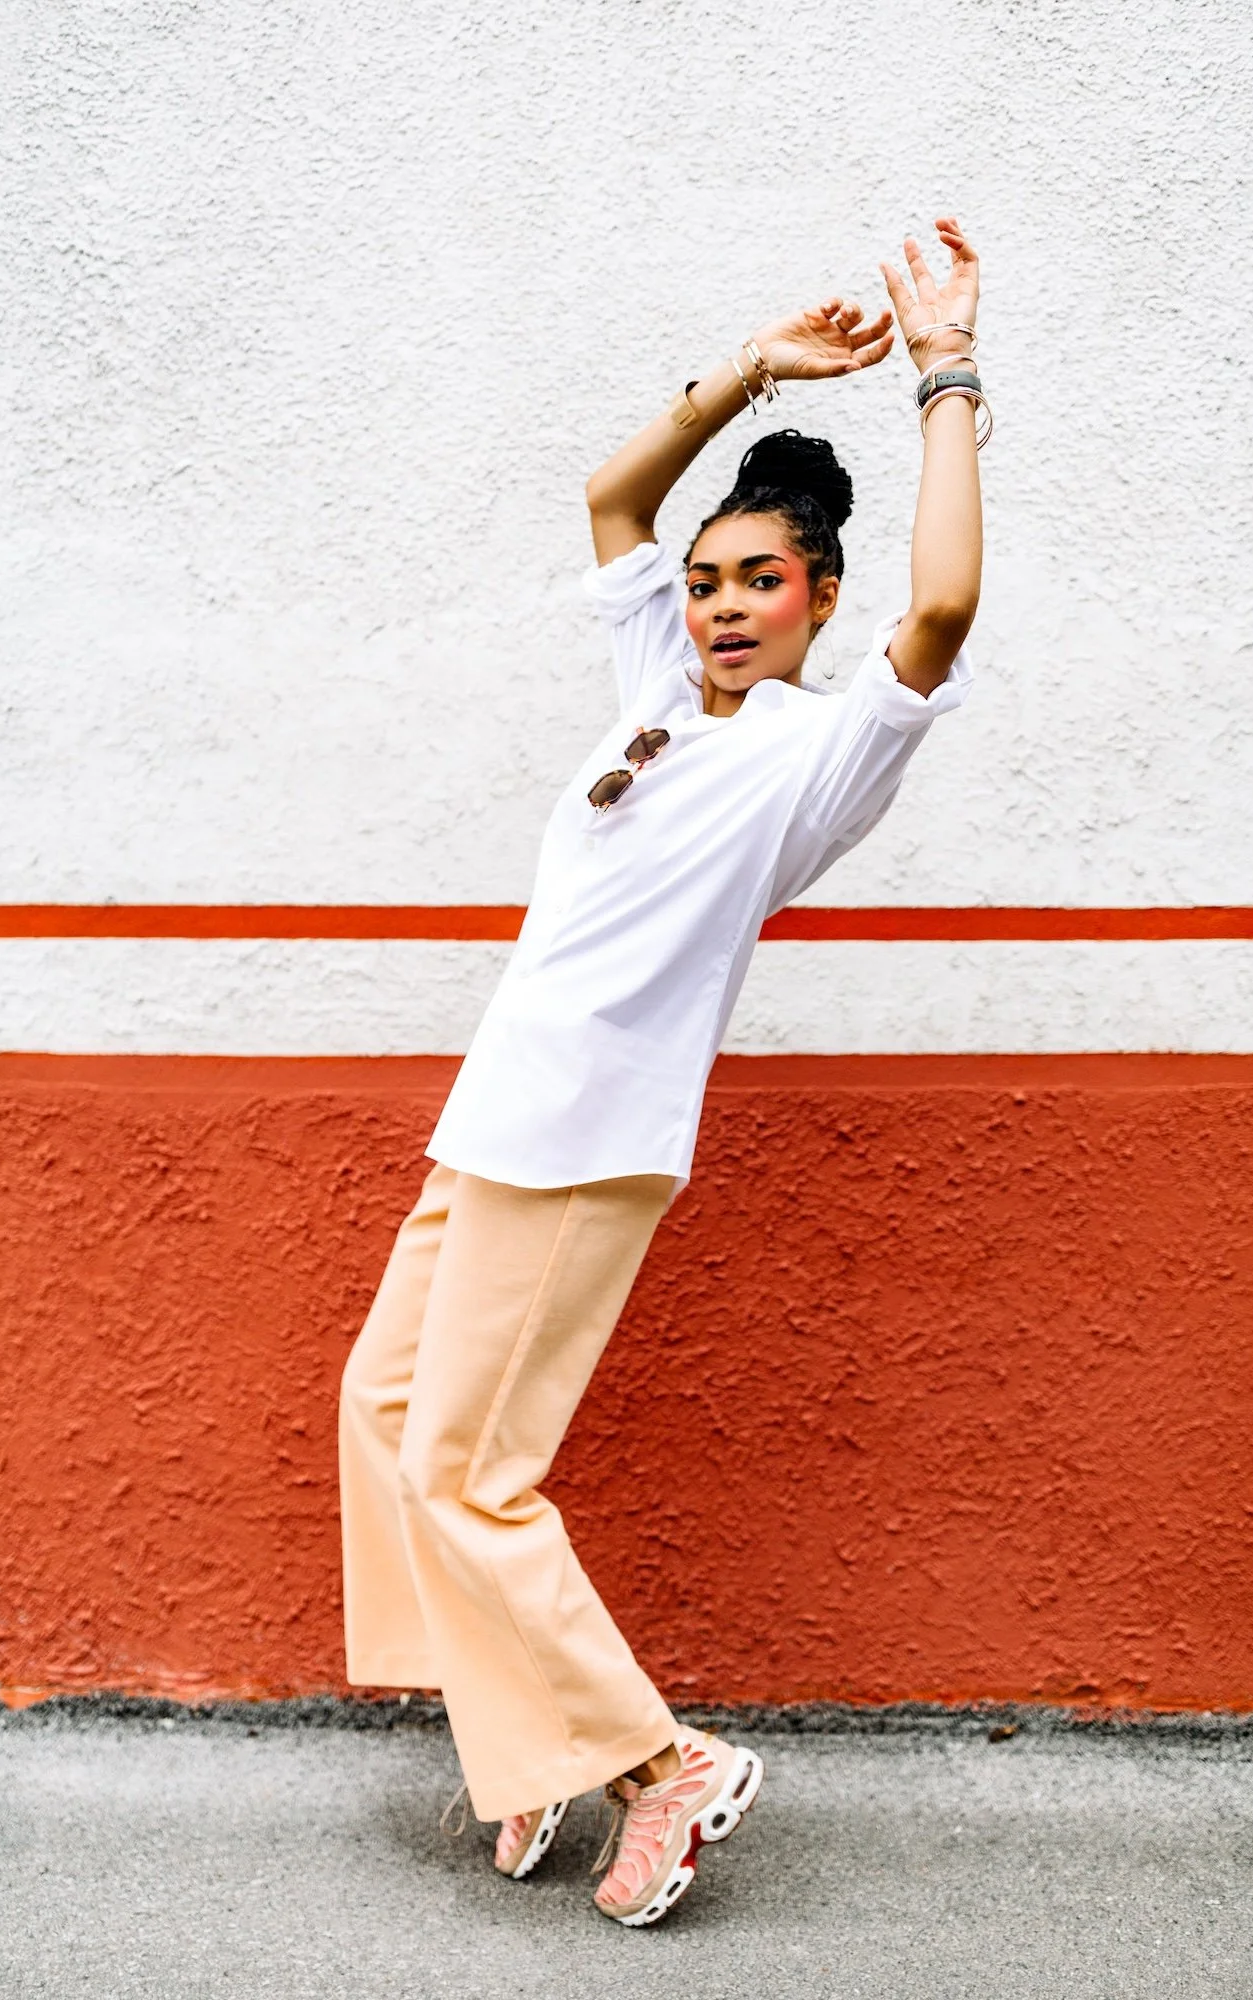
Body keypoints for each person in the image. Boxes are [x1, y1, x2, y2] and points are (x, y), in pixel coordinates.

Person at [339, 219, 985, 1927]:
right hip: (494, 1121)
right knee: (381, 1416)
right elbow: (614, 502)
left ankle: (651, 1762)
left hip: (583, 1146)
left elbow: (945, 604)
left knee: (472, 1475)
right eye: (709, 583)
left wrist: (944, 379)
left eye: (757, 582)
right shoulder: (656, 690)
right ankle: (532, 1741)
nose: (717, 606)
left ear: (815, 601)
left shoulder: (820, 754)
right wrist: (759, 365)